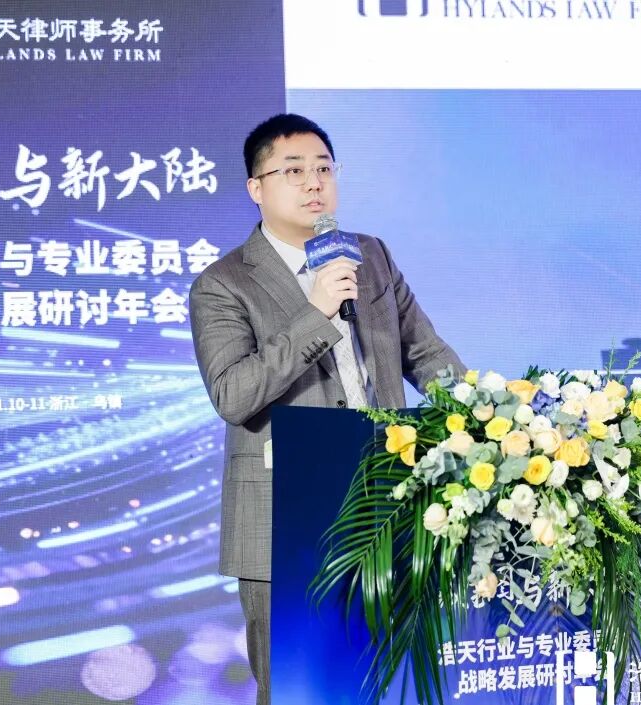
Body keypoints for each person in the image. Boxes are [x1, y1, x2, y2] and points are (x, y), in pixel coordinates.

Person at [189, 113, 464, 704]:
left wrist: (486, 413)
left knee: (389, 681)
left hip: (388, 504)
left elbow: (426, 354)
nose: (314, 182)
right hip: (286, 515)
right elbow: (233, 394)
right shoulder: (224, 283)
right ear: (256, 188)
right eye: (293, 171)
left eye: (324, 168)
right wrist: (316, 313)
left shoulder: (370, 256)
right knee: (299, 688)